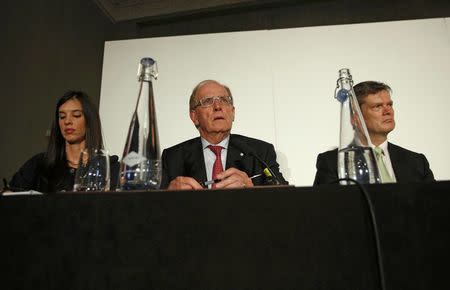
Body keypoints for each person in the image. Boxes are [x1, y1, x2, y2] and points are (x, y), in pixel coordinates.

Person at [161, 79, 287, 190]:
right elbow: (150, 208)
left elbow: (286, 198)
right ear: (194, 116)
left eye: (224, 100)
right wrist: (167, 195)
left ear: (233, 112)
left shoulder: (259, 152)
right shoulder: (173, 157)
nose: (217, 106)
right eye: (207, 101)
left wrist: (251, 189)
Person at [313, 81, 435, 185]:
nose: (388, 111)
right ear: (355, 118)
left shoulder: (417, 162)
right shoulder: (332, 162)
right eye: (377, 106)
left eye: (390, 105)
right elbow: (324, 209)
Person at [9, 90, 119, 192]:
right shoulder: (39, 165)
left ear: (89, 121)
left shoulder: (111, 168)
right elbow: (9, 197)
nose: (67, 121)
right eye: (62, 117)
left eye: (76, 115)